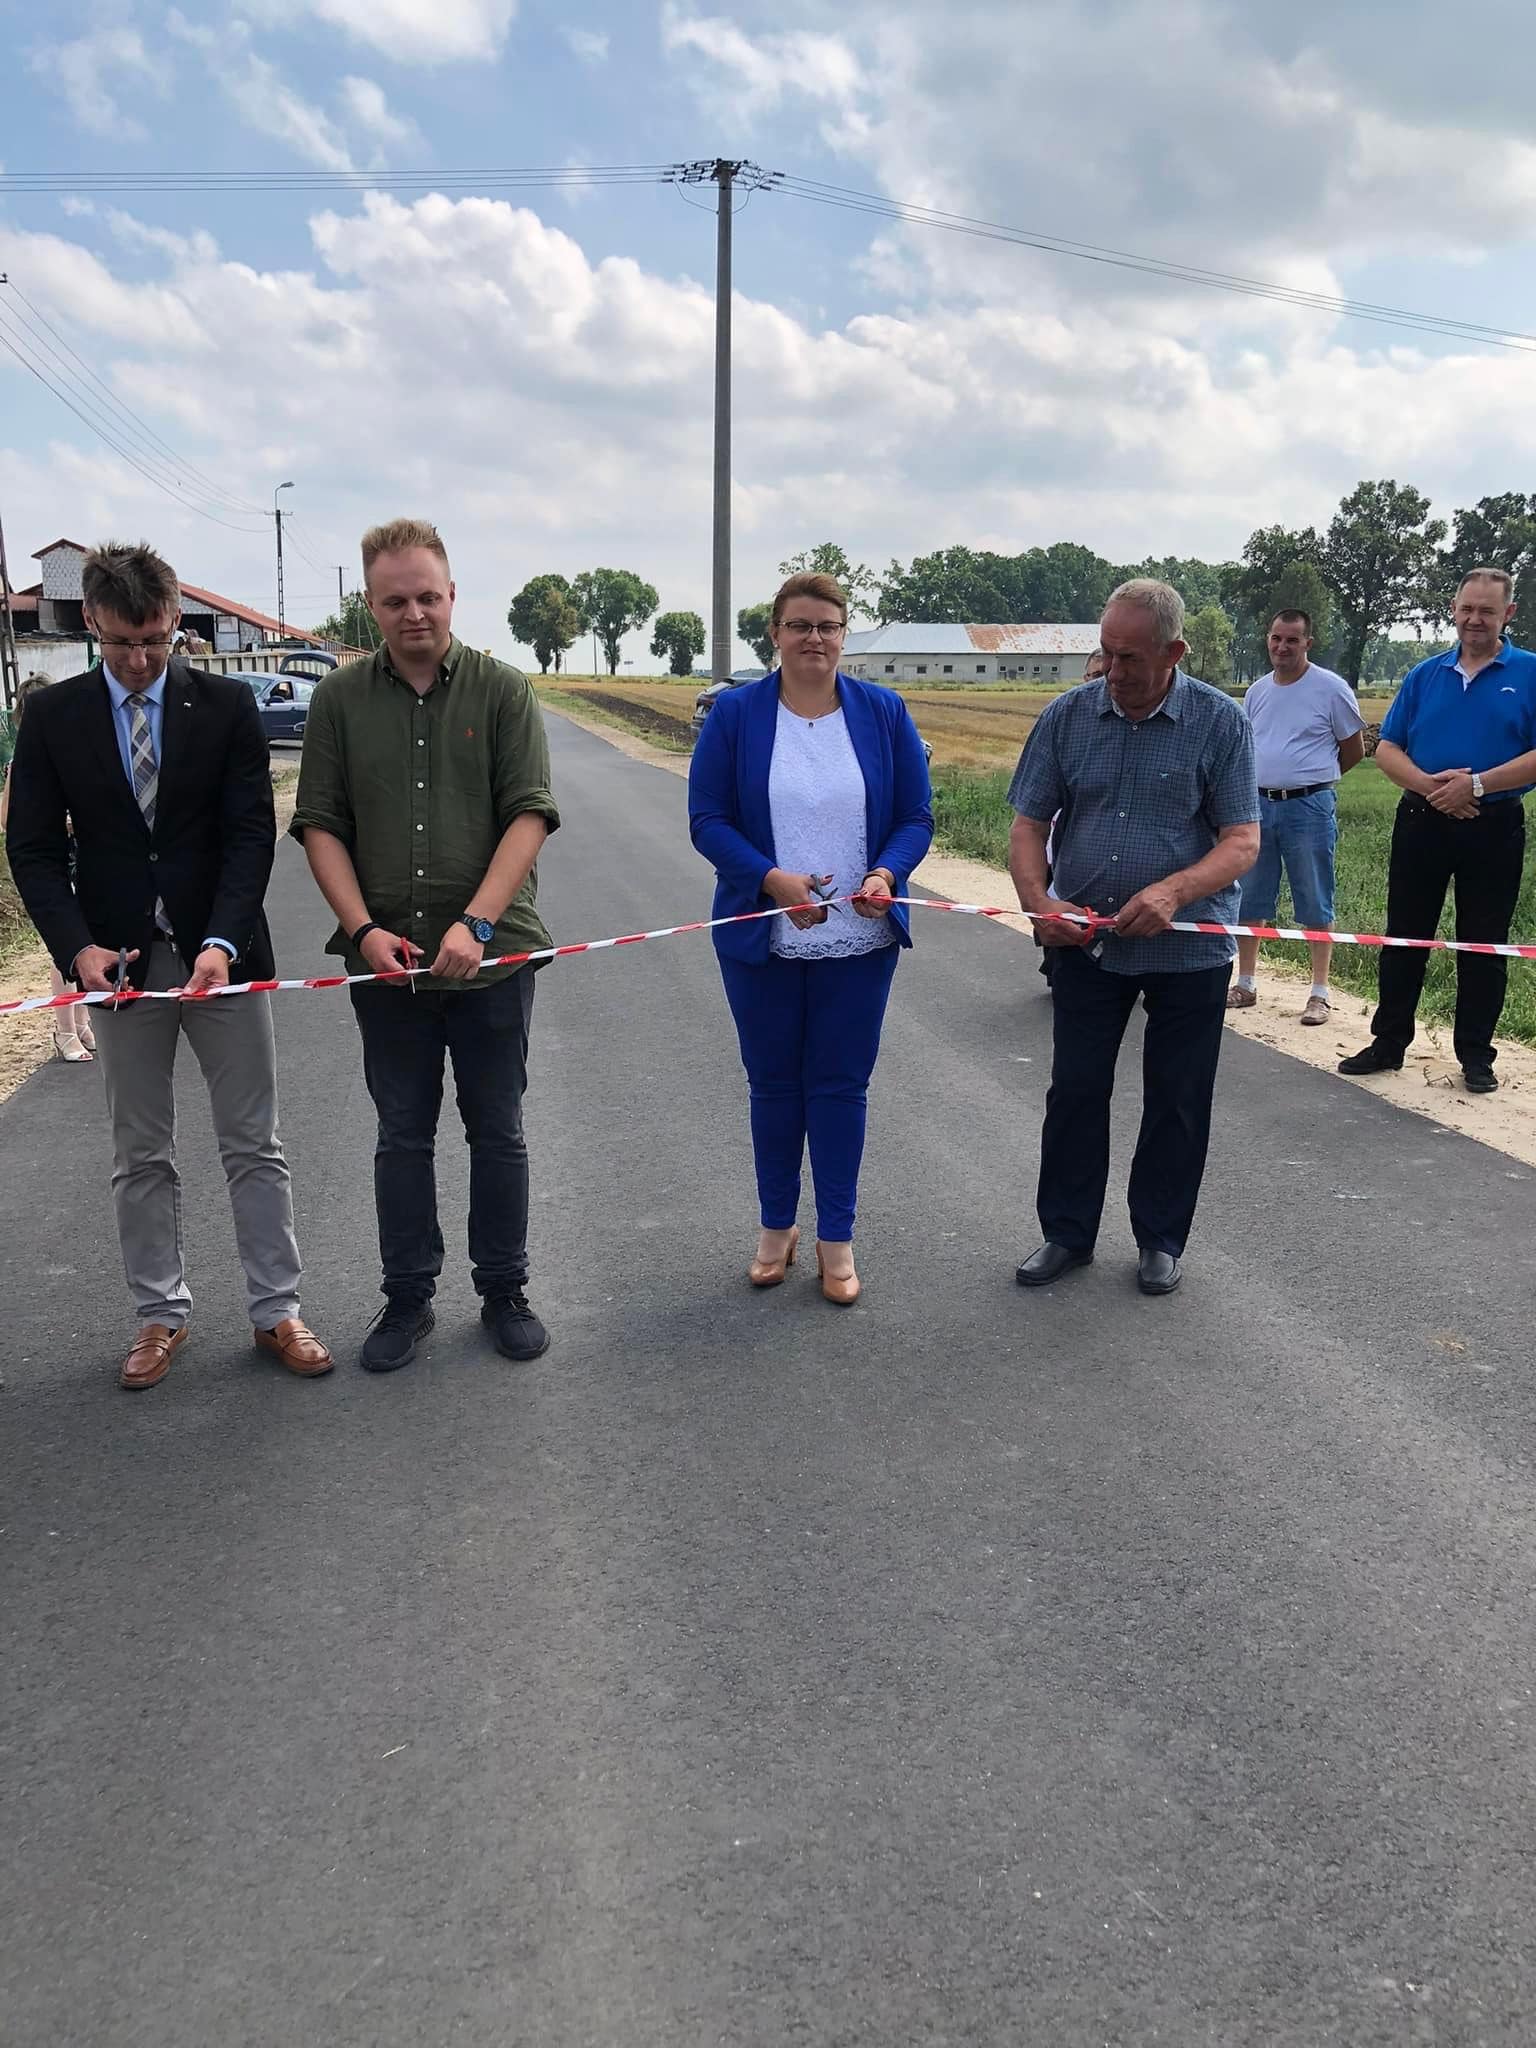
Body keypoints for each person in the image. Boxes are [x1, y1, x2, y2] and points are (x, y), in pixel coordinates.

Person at [5, 541, 331, 1389]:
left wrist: (222, 942)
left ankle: (277, 1310)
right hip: (118, 969)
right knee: (140, 1152)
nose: (140, 660)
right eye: (121, 642)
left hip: (224, 959)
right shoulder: (55, 718)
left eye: (154, 639)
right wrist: (76, 948)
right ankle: (159, 1314)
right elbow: (32, 848)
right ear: (92, 623)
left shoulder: (224, 707)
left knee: (254, 1144)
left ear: (175, 621)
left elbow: (250, 835)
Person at [290, 518, 560, 1372]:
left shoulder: (503, 691)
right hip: (387, 969)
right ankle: (407, 1297)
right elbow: (320, 825)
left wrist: (475, 924)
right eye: (395, 600)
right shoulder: (339, 700)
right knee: (401, 1134)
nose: (415, 614)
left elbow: (529, 814)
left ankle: (504, 1290)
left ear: (452, 597)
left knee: (498, 1131)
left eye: (428, 597)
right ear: (371, 607)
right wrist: (363, 930)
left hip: (493, 960)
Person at [688, 571, 933, 1306]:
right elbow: (707, 819)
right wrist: (770, 880)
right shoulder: (736, 715)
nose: (814, 639)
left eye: (828, 626)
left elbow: (915, 816)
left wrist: (886, 873)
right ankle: (776, 1228)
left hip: (860, 939)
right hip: (761, 936)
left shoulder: (884, 712)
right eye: (799, 625)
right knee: (772, 1086)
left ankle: (836, 1239)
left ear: (844, 634)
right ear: (776, 634)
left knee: (839, 1088)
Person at [1008, 579, 1259, 1296]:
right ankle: (1066, 1233)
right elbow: (1028, 825)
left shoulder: (1221, 723)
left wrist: (1174, 891)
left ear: (1174, 653)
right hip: (1086, 945)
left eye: (1131, 658)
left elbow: (1242, 841)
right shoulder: (1067, 717)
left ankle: (1160, 1239)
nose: (1114, 671)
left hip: (1189, 949)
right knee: (1076, 1090)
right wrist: (1039, 904)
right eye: (1107, 653)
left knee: (1177, 1098)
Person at [1339, 568, 1536, 1094]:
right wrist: (1432, 788)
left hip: (1493, 825)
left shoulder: (1530, 673)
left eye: (1487, 611)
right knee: (1404, 936)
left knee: (1484, 944)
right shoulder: (1425, 674)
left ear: (1508, 614)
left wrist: (1477, 784)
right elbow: (1387, 747)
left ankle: (1476, 1056)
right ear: (1454, 610)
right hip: (1422, 820)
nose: (1475, 619)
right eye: (1466, 608)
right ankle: (1388, 1043)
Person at [1228, 610, 1365, 1023]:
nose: (1282, 647)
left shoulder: (1330, 689)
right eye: (1276, 638)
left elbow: (1353, 749)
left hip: (1309, 807)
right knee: (1251, 895)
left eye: (1292, 640)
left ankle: (1319, 992)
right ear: (1268, 640)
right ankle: (1246, 983)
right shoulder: (1257, 692)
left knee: (1314, 896)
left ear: (1308, 643)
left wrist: (1313, 778)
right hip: (1257, 804)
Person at [1, 675, 97, 1061]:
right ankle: (64, 1030)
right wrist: (60, 824)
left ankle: (83, 1022)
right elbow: (8, 819)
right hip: (53, 866)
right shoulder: (21, 762)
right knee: (66, 949)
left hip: (83, 859)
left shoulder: (72, 753)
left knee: (90, 941)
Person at [1036, 648, 1109, 988]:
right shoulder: (1066, 717)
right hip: (1061, 836)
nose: (1100, 682)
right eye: (1093, 676)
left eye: (1103, 675)